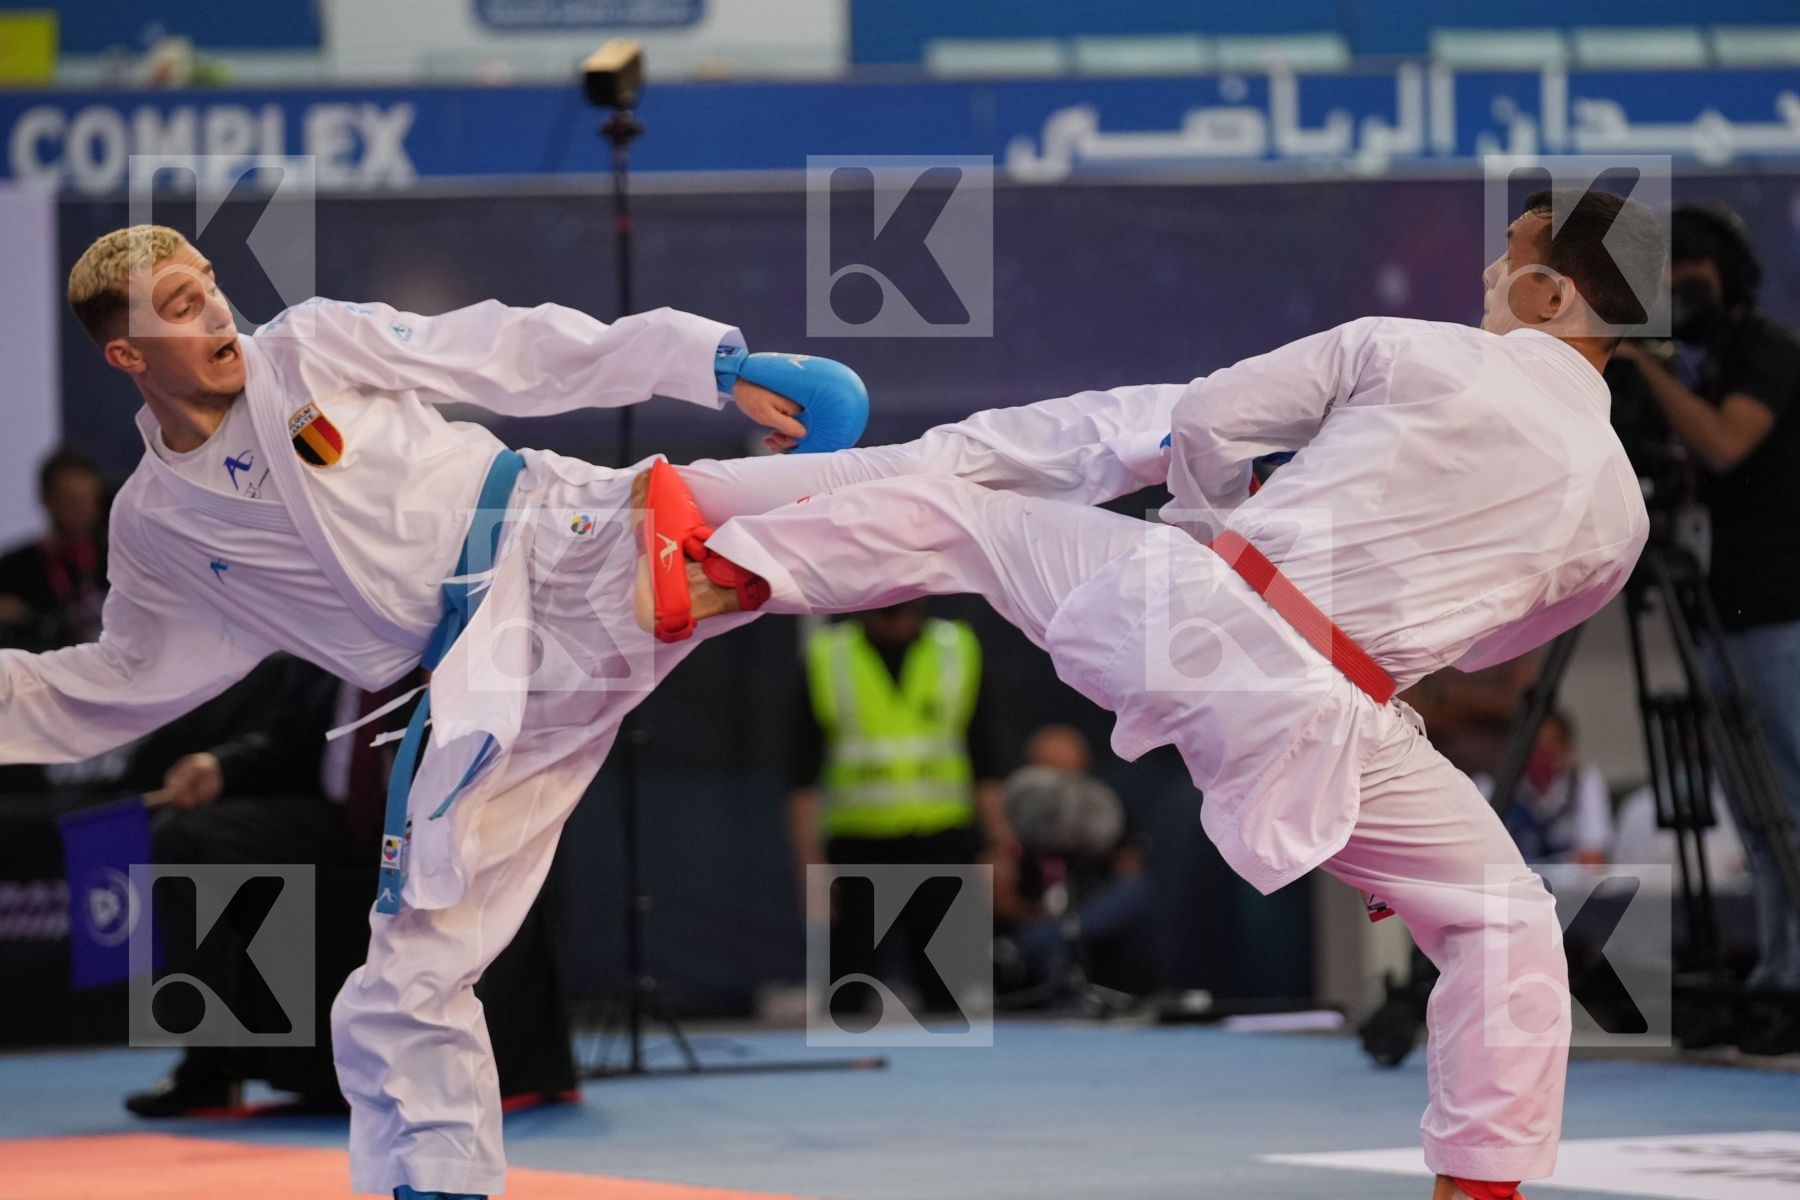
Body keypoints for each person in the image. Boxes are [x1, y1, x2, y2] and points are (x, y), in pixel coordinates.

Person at [0, 224, 1180, 1200]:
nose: (214, 316)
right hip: (495, 687)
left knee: (917, 485)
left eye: (209, 286)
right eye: (177, 304)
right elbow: (107, 685)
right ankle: (439, 1185)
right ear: (126, 355)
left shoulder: (307, 348)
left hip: (571, 535)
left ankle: (1195, 430)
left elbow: (508, 351)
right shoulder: (160, 531)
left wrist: (709, 363)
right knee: (411, 960)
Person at [648, 188, 1663, 1200]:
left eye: (1507, 257)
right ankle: (1481, 1189)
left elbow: (1209, 418)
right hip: (1334, 716)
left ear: (1550, 289)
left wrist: (1210, 520)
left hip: (1195, 613)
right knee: (1505, 920)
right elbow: (1489, 654)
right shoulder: (1619, 515)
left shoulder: (1417, 351)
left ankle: (717, 577)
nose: (1488, 274)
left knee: (964, 519)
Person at [1612, 202, 1800, 1053]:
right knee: (1757, 816)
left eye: (1695, 273)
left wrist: (1644, 370)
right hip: (1720, 614)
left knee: (1791, 804)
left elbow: (1727, 445)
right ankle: (1775, 975)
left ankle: (1794, 976)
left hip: (1780, 617)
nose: (1683, 289)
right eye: (1670, 276)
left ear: (1730, 277)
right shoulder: (1705, 365)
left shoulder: (1765, 352)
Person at [790, 601, 1010, 1015]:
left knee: (950, 997)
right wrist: (810, 863)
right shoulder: (828, 654)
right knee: (847, 996)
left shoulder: (957, 648)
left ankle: (955, 1081)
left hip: (942, 841)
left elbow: (986, 756)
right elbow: (801, 773)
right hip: (859, 845)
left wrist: (998, 844)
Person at [0, 448, 108, 651]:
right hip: (44, 668)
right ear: (47, 500)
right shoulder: (15, 566)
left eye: (87, 499)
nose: (80, 510)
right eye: (70, 500)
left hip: (108, 668)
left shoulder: (116, 558)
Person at [1475, 710, 1613, 867]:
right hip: (1509, 888)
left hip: (1568, 890)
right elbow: (1479, 861)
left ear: (1568, 750)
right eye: (1534, 749)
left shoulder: (1582, 781)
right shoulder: (1488, 787)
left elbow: (1593, 859)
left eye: (1550, 749)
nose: (1541, 758)